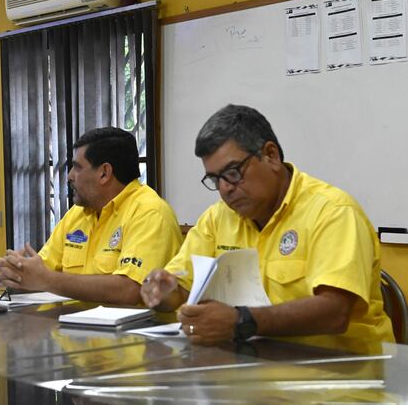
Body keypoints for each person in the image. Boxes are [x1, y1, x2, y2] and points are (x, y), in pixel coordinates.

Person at [141, 104, 394, 350]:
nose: (225, 188)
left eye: (232, 172)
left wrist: (242, 321)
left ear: (270, 155)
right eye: (215, 179)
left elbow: (335, 312)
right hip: (253, 367)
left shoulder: (332, 212)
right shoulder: (217, 219)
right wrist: (165, 294)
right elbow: (183, 289)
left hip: (343, 376)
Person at [0, 127, 182, 305]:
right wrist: (17, 274)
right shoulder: (78, 213)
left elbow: (130, 290)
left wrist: (45, 279)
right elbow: (42, 274)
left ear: (104, 173)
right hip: (72, 328)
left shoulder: (149, 213)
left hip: (130, 335)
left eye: (77, 167)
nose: (70, 176)